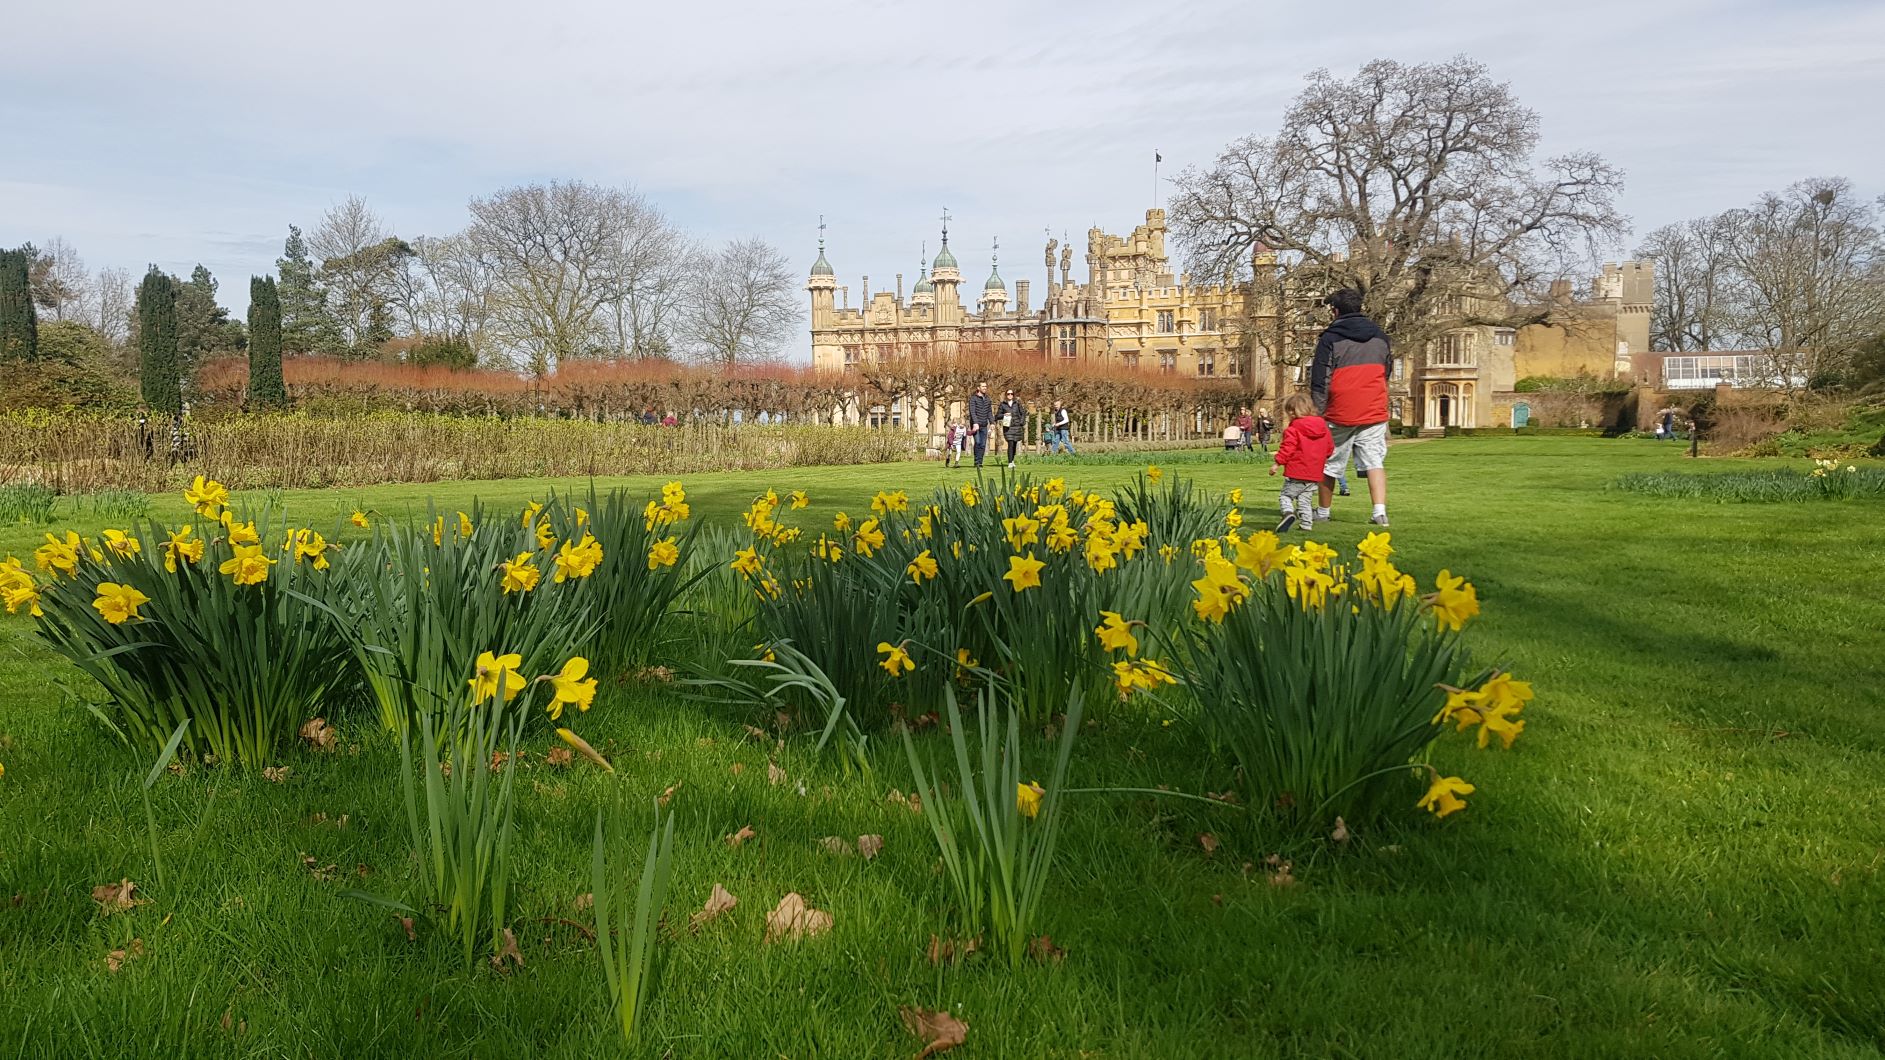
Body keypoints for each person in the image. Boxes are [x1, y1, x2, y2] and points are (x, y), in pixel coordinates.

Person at [1309, 288, 1392, 527]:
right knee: (1374, 460)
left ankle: (1323, 512)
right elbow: (1385, 370)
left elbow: (1320, 378)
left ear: (1335, 311)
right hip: (1373, 407)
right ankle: (1379, 512)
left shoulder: (1330, 338)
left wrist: (1317, 412)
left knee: (1329, 462)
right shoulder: (1380, 337)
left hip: (1340, 409)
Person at [1269, 391, 1333, 533]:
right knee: (1305, 499)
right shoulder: (1322, 426)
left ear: (1292, 412)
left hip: (1297, 471)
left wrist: (1277, 463)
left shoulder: (1293, 429)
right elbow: (1329, 448)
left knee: (1286, 495)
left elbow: (1288, 448)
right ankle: (1306, 524)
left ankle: (1288, 513)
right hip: (1315, 473)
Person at [998, 388, 1026, 469]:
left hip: (1017, 426)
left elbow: (1023, 413)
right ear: (1006, 395)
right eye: (1008, 394)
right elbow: (997, 415)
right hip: (1008, 427)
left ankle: (1012, 460)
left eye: (1011, 394)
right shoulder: (1002, 404)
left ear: (1013, 395)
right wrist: (1004, 415)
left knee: (1014, 444)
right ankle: (1010, 462)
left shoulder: (1017, 403)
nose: (1010, 395)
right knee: (1010, 443)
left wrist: (1021, 422)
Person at [968, 382, 993, 468]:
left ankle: (980, 462)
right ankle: (976, 461)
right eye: (983, 386)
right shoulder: (973, 399)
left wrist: (992, 423)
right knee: (977, 442)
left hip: (984, 425)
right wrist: (975, 423)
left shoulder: (988, 399)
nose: (985, 388)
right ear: (978, 388)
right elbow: (972, 412)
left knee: (983, 444)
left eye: (986, 386)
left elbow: (989, 412)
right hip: (976, 425)